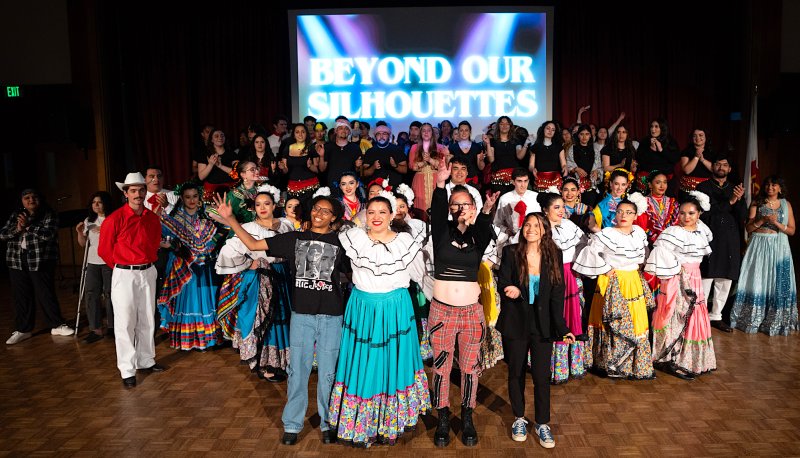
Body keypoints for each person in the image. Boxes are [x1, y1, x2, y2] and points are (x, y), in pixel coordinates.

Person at [215, 193, 348, 446]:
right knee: (298, 370)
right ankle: (292, 424)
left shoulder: (342, 243)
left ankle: (328, 422)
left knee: (329, 372)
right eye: (316, 208)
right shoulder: (294, 239)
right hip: (302, 315)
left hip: (331, 316)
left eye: (326, 211)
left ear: (334, 218)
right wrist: (231, 220)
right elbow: (254, 245)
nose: (319, 214)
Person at [328, 194, 433, 446]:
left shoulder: (404, 241)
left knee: (392, 363)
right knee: (365, 363)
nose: (376, 217)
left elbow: (420, 275)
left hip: (395, 309)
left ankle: (390, 422)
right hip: (363, 308)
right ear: (365, 215)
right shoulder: (354, 239)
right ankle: (363, 424)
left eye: (382, 212)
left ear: (391, 215)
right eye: (371, 212)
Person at [429, 157, 500, 447]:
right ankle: (443, 417)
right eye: (455, 204)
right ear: (449, 208)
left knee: (470, 368)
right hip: (442, 312)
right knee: (441, 367)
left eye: (465, 204)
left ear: (473, 208)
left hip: (471, 314)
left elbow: (483, 225)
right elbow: (436, 210)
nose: (460, 208)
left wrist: (483, 212)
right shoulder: (440, 232)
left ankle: (467, 416)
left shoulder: (479, 234)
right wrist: (442, 183)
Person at [496, 212, 574, 448]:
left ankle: (542, 423)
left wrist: (562, 327)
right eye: (527, 224)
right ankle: (519, 418)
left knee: (541, 376)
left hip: (543, 324)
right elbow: (503, 282)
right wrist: (511, 288)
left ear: (544, 230)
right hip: (516, 320)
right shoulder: (511, 252)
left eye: (537, 225)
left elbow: (557, 293)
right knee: (516, 373)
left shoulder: (554, 254)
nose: (531, 229)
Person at [216, 184, 295, 380]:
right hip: (261, 277)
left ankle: (283, 360)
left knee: (283, 316)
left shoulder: (286, 224)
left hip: (283, 275)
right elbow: (227, 252)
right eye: (258, 204)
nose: (262, 208)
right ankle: (266, 364)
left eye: (266, 203)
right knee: (264, 319)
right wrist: (248, 262)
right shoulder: (248, 228)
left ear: (275, 205)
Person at [573, 199, 655, 379]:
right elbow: (590, 253)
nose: (623, 215)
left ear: (635, 215)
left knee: (635, 321)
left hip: (632, 281)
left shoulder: (639, 233)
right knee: (611, 320)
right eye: (620, 211)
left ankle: (633, 365)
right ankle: (609, 364)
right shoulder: (606, 234)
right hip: (612, 281)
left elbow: (644, 254)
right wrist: (605, 268)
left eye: (628, 212)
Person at [98, 173, 165, 387]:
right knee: (125, 322)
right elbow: (104, 251)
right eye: (133, 191)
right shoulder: (114, 219)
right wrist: (122, 267)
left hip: (147, 271)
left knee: (147, 318)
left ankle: (145, 360)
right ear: (125, 193)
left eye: (141, 190)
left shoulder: (152, 218)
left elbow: (155, 243)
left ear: (145, 192)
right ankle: (127, 369)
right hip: (124, 274)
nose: (138, 194)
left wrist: (146, 264)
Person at [645, 194, 716, 379]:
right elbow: (661, 255)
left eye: (691, 213)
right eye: (683, 213)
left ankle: (691, 359)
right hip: (677, 279)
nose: (686, 217)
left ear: (699, 213)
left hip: (695, 278)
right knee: (674, 315)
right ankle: (668, 358)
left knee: (695, 314)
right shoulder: (673, 233)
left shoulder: (701, 231)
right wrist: (677, 273)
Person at [2, 189, 74, 345]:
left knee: (45, 293)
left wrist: (28, 226)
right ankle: (23, 329)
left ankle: (56, 325)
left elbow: (47, 234)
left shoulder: (49, 213)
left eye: (34, 197)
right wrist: (17, 229)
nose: (30, 200)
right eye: (26, 198)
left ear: (40, 199)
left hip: (41, 260)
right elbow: (3, 234)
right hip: (17, 260)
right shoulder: (16, 214)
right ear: (21, 200)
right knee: (22, 295)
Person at [157, 182, 221, 351]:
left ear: (199, 197)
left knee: (205, 297)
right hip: (183, 265)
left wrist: (209, 246)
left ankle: (207, 339)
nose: (191, 200)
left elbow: (223, 230)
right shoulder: (175, 217)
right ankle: (188, 339)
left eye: (195, 196)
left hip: (204, 266)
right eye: (187, 197)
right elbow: (167, 238)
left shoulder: (208, 215)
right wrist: (174, 246)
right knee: (186, 299)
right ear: (182, 199)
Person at [730, 176, 797, 335]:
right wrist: (762, 220)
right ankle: (752, 319)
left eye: (774, 185)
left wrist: (776, 223)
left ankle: (774, 320)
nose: (770, 187)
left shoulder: (786, 205)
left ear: (780, 188)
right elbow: (749, 228)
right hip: (759, 245)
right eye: (767, 184)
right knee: (757, 280)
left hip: (778, 247)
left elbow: (792, 230)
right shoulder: (757, 203)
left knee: (776, 281)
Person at [538, 192, 587, 384]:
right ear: (545, 210)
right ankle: (551, 367)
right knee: (550, 318)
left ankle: (572, 365)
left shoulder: (568, 226)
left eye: (562, 207)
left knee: (571, 318)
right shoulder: (540, 228)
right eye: (556, 207)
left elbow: (584, 246)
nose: (561, 211)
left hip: (569, 275)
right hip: (548, 276)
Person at [696, 156, 747, 332]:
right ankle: (699, 315)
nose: (721, 167)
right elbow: (706, 214)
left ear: (730, 169)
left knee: (724, 279)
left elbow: (742, 217)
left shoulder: (735, 188)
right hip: (710, 237)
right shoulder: (702, 188)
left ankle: (716, 316)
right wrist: (731, 201)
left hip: (730, 238)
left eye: (725, 164)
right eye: (718, 163)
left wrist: (739, 200)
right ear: (712, 166)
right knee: (707, 277)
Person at [76, 191, 116, 343]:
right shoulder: (89, 221)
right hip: (92, 262)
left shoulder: (113, 219)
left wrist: (105, 230)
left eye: (99, 202)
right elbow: (83, 244)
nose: (96, 205)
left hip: (109, 262)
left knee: (111, 294)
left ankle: (113, 326)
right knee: (91, 293)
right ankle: (96, 329)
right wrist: (80, 232)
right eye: (94, 202)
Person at [493, 168, 540, 245]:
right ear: (513, 182)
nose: (523, 185)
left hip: (533, 238)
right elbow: (497, 223)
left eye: (525, 181)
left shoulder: (536, 197)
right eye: (519, 181)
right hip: (512, 240)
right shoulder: (505, 199)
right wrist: (506, 230)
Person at [409, 122, 448, 214]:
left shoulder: (440, 147)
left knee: (436, 205)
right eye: (424, 130)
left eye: (429, 131)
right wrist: (423, 162)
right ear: (420, 133)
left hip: (436, 178)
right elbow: (412, 166)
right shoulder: (415, 147)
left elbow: (442, 166)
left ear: (432, 133)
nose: (426, 133)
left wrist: (430, 160)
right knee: (420, 207)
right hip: (420, 179)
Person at [278, 124, 321, 204]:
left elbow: (317, 170)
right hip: (293, 188)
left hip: (310, 188)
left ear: (306, 134)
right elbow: (285, 171)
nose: (300, 134)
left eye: (303, 132)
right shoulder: (287, 148)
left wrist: (310, 166)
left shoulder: (311, 148)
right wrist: (283, 167)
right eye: (297, 132)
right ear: (294, 135)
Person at [635, 119, 680, 194]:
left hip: (666, 181)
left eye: (656, 127)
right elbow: (639, 160)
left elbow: (675, 159)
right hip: (647, 181)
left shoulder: (670, 141)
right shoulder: (645, 141)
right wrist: (651, 149)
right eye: (651, 127)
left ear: (662, 129)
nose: (653, 129)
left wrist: (661, 150)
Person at [317, 120, 363, 190]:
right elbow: (322, 169)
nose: (344, 130)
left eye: (346, 128)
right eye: (341, 128)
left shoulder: (355, 148)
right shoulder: (327, 147)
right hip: (332, 187)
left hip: (349, 188)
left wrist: (357, 166)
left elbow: (359, 171)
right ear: (336, 131)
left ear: (349, 132)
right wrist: (321, 156)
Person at [486, 116, 526, 193]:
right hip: (498, 178)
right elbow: (491, 159)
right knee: (500, 202)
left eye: (507, 124)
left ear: (510, 126)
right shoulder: (492, 141)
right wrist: (488, 143)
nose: (504, 126)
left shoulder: (516, 141)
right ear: (498, 126)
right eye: (502, 124)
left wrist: (525, 145)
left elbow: (520, 156)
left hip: (513, 177)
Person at [362, 123, 408, 188]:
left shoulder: (397, 150)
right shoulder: (370, 151)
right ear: (375, 136)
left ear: (389, 136)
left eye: (384, 134)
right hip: (375, 190)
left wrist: (395, 165)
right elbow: (365, 173)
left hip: (393, 189)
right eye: (378, 134)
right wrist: (373, 167)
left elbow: (405, 170)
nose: (381, 136)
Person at [642, 170, 680, 246]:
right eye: (658, 182)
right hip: (649, 242)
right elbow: (642, 225)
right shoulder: (642, 202)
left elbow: (677, 222)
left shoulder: (672, 202)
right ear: (650, 185)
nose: (662, 186)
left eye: (665, 182)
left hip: (671, 242)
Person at [528, 120, 566, 191]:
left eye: (553, 130)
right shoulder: (535, 147)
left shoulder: (559, 147)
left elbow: (563, 163)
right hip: (540, 180)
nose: (550, 131)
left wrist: (565, 167)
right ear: (543, 129)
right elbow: (531, 165)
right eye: (548, 128)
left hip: (556, 180)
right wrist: (533, 169)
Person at [679, 128, 716, 194]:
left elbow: (715, 170)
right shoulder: (686, 151)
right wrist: (696, 157)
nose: (697, 138)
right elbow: (687, 171)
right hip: (688, 189)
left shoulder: (712, 152)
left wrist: (703, 160)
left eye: (701, 135)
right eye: (694, 135)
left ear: (706, 137)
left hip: (706, 189)